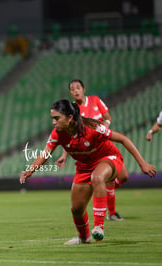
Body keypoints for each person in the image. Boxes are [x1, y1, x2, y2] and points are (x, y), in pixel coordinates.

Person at [20, 99, 156, 244]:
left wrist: (142, 163)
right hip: (84, 167)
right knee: (76, 209)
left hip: (108, 158)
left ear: (70, 117)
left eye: (56, 118)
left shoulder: (93, 128)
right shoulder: (57, 134)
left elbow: (123, 139)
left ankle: (99, 226)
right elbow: (44, 155)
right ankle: (84, 238)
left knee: (97, 177)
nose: (54, 122)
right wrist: (30, 171)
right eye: (52, 119)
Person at [56, 79, 127, 222]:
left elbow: (108, 117)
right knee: (108, 179)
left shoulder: (95, 100)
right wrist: (64, 154)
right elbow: (69, 135)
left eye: (78, 87)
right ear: (70, 93)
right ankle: (111, 212)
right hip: (89, 149)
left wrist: (104, 128)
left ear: (83, 89)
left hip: (103, 142)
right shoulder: (73, 109)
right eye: (72, 89)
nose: (75, 91)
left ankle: (102, 191)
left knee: (123, 176)